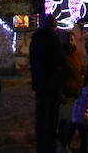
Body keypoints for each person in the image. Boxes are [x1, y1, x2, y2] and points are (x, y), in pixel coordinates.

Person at [29, 16, 66, 153]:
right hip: (52, 82)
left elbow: (32, 61)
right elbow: (60, 60)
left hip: (40, 81)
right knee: (52, 116)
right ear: (54, 25)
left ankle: (40, 145)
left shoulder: (36, 38)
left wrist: (35, 79)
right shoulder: (53, 38)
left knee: (40, 114)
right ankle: (50, 146)